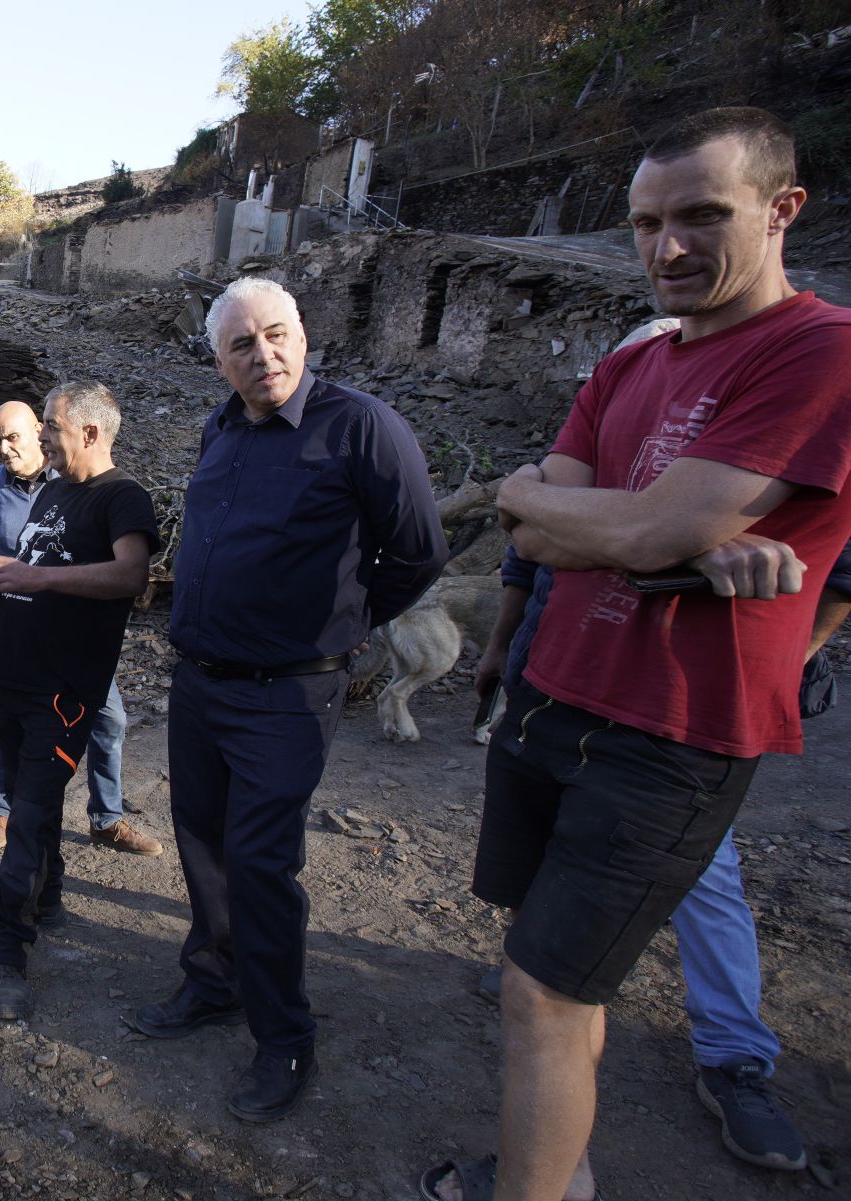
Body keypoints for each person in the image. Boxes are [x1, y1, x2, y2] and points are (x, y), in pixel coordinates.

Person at [421, 107, 851, 1201]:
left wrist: (641, 528)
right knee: (543, 966)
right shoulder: (634, 365)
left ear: (782, 209)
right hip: (550, 695)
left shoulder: (821, 351)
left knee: (543, 994)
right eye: (647, 222)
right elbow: (538, 516)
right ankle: (551, 1169)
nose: (668, 247)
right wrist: (653, 531)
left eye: (703, 215)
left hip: (668, 731)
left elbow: (637, 527)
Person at [140, 276, 447, 1122]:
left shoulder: (362, 428)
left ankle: (284, 1036)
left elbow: (418, 552)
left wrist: (340, 626)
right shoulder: (223, 424)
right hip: (201, 679)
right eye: (241, 344)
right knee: (202, 843)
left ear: (303, 337)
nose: (262, 354)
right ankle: (214, 981)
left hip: (290, 690)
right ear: (218, 361)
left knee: (262, 863)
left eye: (275, 334)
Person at [0, 381, 160, 1021]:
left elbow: (131, 575)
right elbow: (35, 567)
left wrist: (31, 576)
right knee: (32, 797)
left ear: (89, 432)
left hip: (64, 690)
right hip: (15, 674)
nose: (42, 437)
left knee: (27, 812)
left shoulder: (122, 497)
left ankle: (8, 951)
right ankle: (44, 900)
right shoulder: (52, 489)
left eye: (50, 426)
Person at [0, 400, 159, 857]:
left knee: (108, 719)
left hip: (72, 638)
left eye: (14, 437)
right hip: (14, 631)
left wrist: (38, 578)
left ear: (39, 433)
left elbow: (123, 571)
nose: (4, 448)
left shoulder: (73, 485)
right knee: (11, 724)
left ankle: (106, 819)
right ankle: (2, 811)